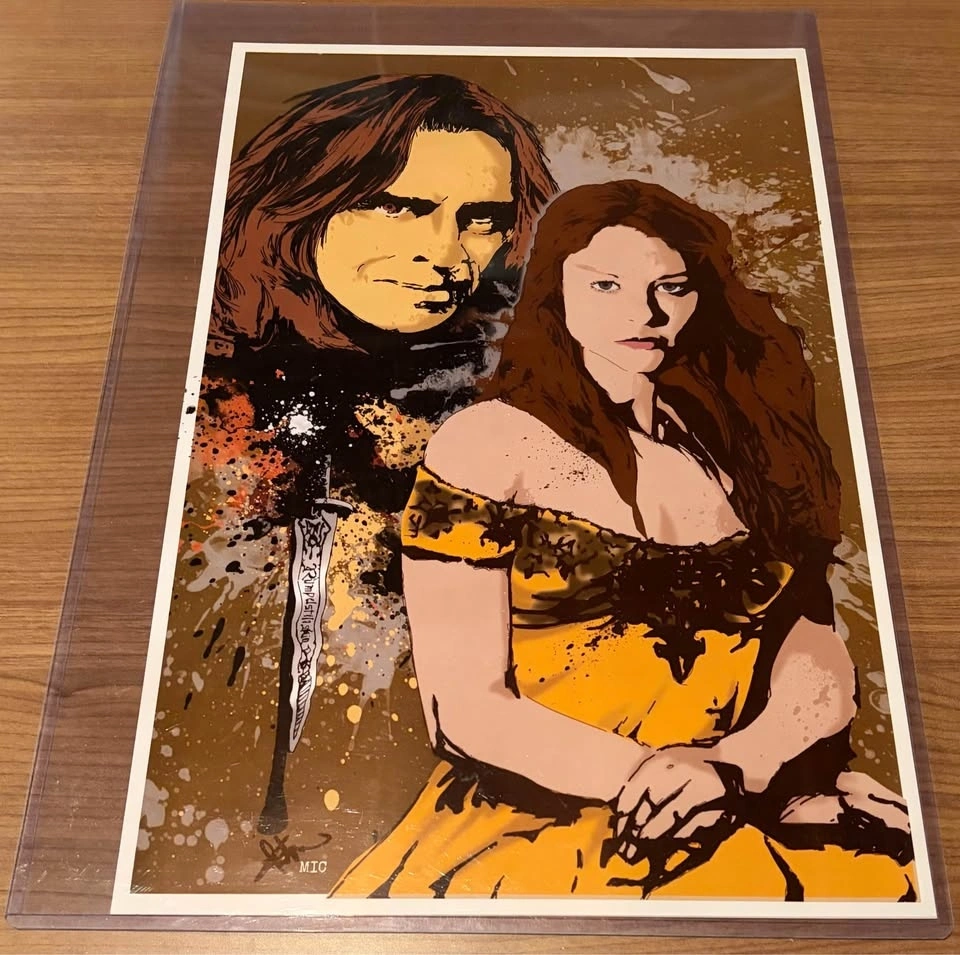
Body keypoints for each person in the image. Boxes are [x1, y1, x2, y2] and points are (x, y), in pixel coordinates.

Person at [330, 179, 916, 900]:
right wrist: (651, 779)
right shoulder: (488, 445)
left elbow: (809, 637)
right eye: (606, 285)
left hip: (734, 795)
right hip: (542, 821)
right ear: (555, 291)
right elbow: (463, 710)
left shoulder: (735, 440)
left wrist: (742, 765)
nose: (645, 313)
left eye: (671, 287)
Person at [190, 74, 557, 834]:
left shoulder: (513, 415)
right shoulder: (202, 397)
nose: (445, 254)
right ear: (302, 203)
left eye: (480, 221)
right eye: (399, 207)